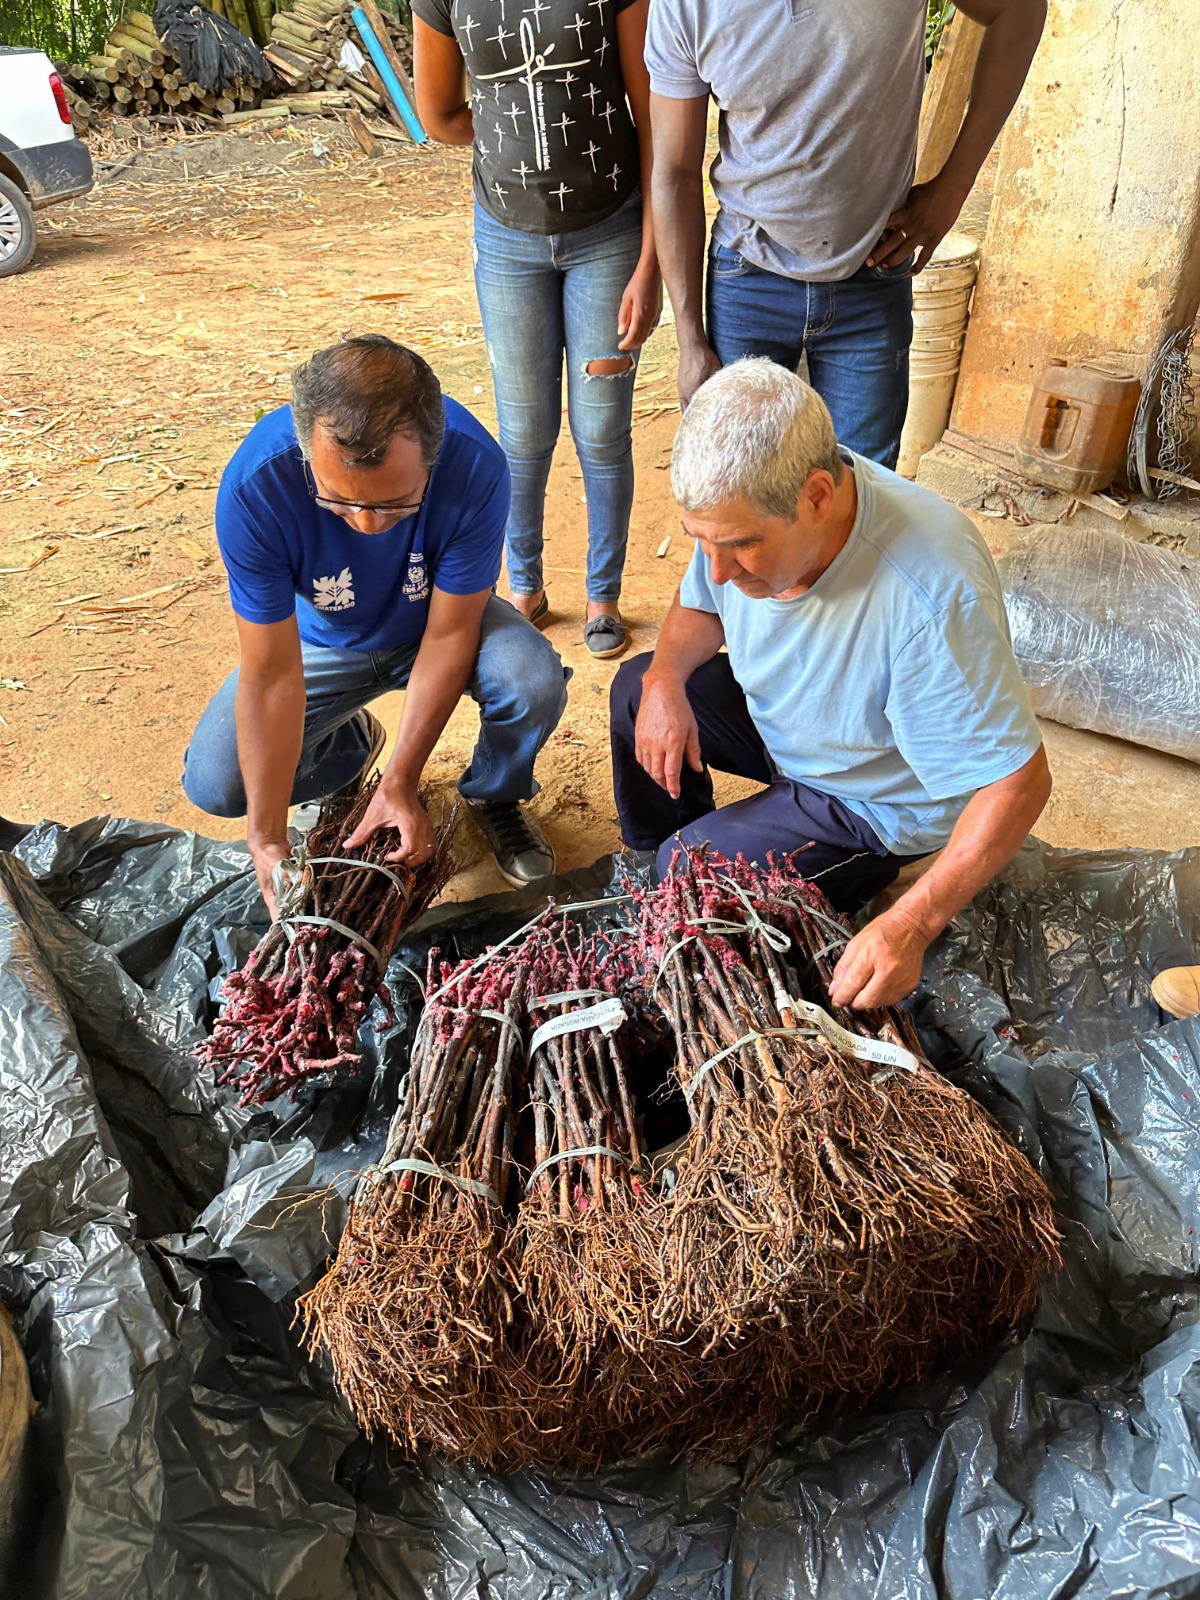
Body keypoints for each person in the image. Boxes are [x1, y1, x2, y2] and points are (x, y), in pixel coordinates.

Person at [609, 359, 1052, 1010]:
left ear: (817, 494)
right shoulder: (749, 519)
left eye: (739, 546)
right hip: (793, 725)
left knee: (688, 871)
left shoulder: (928, 596)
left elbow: (1019, 781)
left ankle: (696, 874)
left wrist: (914, 922)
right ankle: (658, 870)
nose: (719, 570)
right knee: (636, 689)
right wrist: (668, 679)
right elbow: (700, 605)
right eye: (701, 541)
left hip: (868, 799)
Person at [183, 336, 569, 911]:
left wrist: (402, 783)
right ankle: (351, 746)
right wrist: (266, 837)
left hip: (433, 623)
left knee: (531, 680)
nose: (365, 525)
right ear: (304, 447)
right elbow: (271, 672)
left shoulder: (475, 465)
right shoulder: (256, 486)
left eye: (395, 505)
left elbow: (449, 635)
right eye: (337, 502)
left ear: (432, 460)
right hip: (323, 641)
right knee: (218, 781)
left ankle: (495, 792)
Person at [646, 0, 1046, 467]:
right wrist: (690, 340)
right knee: (738, 495)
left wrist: (952, 189)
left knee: (864, 497)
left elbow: (1018, 10)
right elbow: (673, 172)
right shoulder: (685, 6)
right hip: (747, 278)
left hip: (872, 276)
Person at [412, 0, 661, 659]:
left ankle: (602, 594)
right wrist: (508, 139)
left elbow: (654, 109)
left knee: (602, 427)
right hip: (507, 240)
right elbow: (437, 114)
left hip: (609, 232)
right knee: (523, 430)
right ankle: (524, 587)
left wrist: (652, 257)